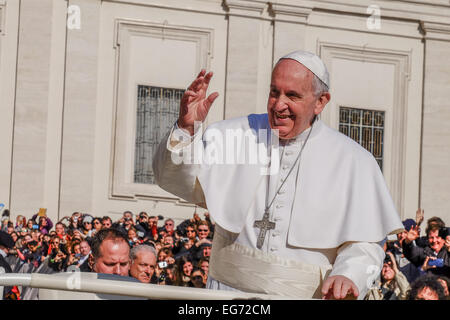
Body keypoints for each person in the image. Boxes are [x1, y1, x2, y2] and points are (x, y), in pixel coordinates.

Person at [153, 50, 404, 299]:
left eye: (292, 95)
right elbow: (176, 181)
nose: (279, 105)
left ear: (320, 101)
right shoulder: (234, 134)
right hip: (228, 295)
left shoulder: (353, 160)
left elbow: (366, 242)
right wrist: (186, 129)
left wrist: (349, 274)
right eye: (274, 92)